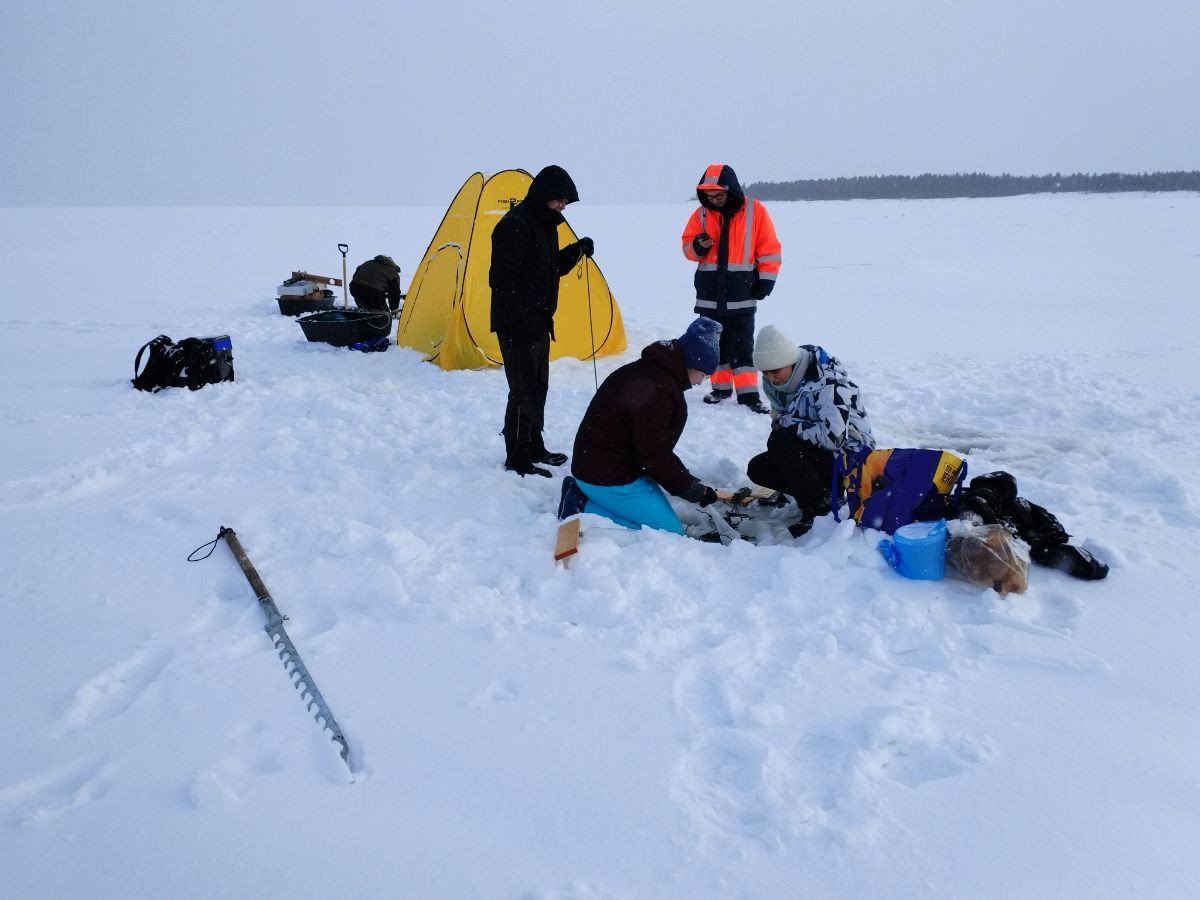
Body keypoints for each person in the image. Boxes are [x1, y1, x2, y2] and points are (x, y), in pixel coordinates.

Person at [557, 317, 723, 535]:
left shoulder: (655, 372)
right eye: (703, 374)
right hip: (607, 476)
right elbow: (654, 455)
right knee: (669, 534)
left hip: (605, 465)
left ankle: (584, 492)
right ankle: (578, 506)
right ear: (691, 363)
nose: (701, 382)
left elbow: (650, 448)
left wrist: (684, 481)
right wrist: (689, 488)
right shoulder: (659, 391)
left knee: (663, 521)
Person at [489, 164, 595, 477]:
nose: (563, 206)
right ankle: (518, 457)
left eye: (566, 202)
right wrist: (524, 311)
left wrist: (576, 251)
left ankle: (534, 446)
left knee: (538, 388)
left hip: (538, 321)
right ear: (545, 195)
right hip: (517, 322)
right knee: (522, 391)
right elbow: (500, 278)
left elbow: (550, 269)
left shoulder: (544, 224)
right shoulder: (516, 225)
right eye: (560, 199)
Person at [747, 324, 875, 536]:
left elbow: (833, 438)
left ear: (790, 361)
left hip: (850, 460)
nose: (771, 379)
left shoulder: (828, 383)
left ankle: (820, 508)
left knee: (781, 440)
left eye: (775, 371)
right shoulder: (785, 383)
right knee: (759, 468)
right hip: (822, 455)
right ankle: (811, 493)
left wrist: (788, 423)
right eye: (765, 373)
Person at [681, 163, 781, 414]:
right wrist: (699, 246)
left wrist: (766, 281)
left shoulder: (755, 211)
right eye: (709, 196)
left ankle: (748, 396)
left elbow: (769, 248)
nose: (714, 201)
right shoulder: (701, 215)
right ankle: (721, 388)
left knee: (742, 345)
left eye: (719, 195)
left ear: (731, 190)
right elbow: (687, 249)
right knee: (714, 344)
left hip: (742, 295)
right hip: (709, 296)